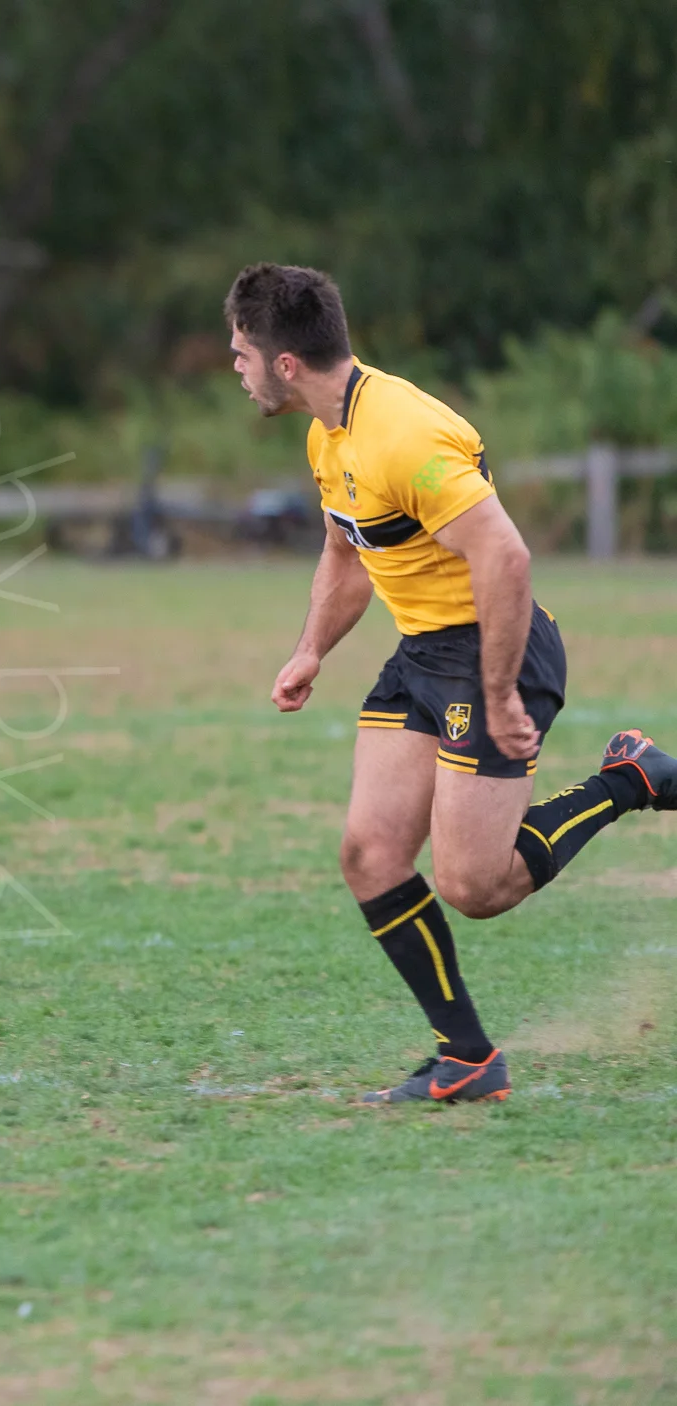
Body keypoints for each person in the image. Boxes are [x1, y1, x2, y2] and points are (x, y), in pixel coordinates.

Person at [231, 262, 676, 1105]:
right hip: (424, 656)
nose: (235, 365)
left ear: (285, 362)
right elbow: (346, 551)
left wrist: (502, 693)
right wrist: (310, 650)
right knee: (370, 855)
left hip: (493, 652)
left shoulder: (404, 434)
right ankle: (467, 1057)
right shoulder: (328, 431)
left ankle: (630, 779)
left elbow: (504, 555)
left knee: (476, 885)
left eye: (241, 350)